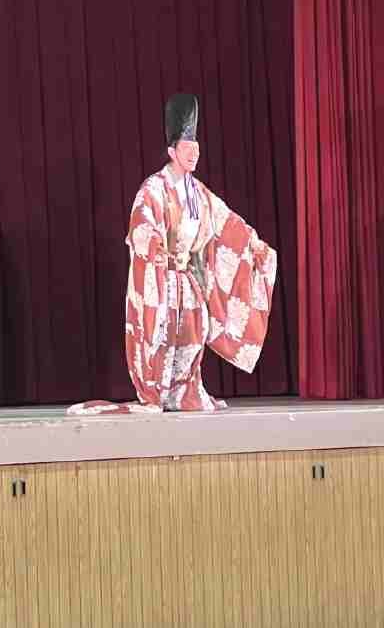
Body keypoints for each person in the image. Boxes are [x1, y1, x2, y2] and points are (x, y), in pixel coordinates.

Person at [71, 94, 278, 415]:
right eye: (187, 149)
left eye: (196, 149)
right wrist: (156, 248)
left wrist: (252, 242)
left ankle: (183, 391)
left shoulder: (197, 192)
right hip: (163, 276)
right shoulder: (154, 187)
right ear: (172, 151)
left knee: (194, 334)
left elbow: (226, 221)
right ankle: (158, 391)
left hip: (188, 278)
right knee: (163, 335)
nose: (194, 154)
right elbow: (142, 224)